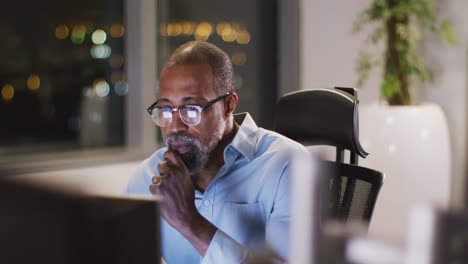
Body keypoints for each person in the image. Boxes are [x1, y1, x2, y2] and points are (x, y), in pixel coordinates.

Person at [126, 41, 308, 263]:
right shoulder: (146, 178)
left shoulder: (287, 166)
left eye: (191, 110)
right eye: (165, 110)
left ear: (229, 105)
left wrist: (188, 221)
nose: (175, 126)